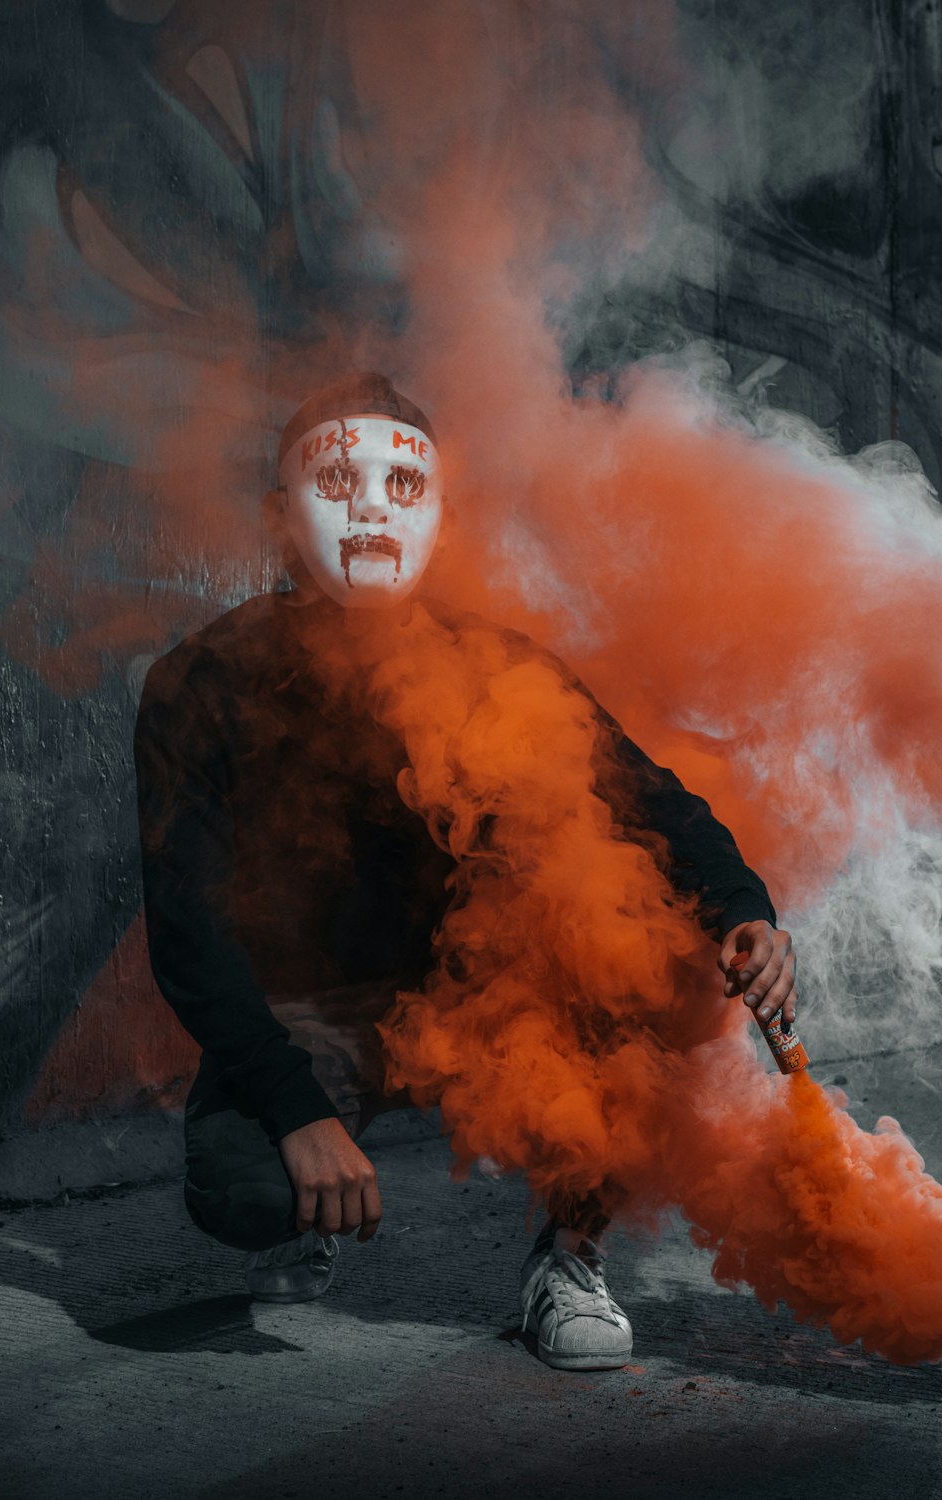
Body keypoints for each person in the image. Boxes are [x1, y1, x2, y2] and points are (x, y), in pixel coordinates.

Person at [134, 372, 797, 1371]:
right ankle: (300, 1209)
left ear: (439, 522)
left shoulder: (500, 666)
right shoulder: (202, 681)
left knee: (661, 960)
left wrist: (747, 913)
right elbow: (185, 925)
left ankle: (568, 1262)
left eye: (402, 488)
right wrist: (293, 1104)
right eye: (336, 482)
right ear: (278, 521)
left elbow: (657, 806)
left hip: (486, 1015)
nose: (368, 507)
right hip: (307, 1021)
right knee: (247, 1193)